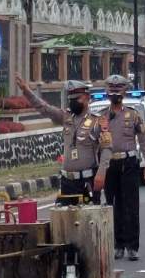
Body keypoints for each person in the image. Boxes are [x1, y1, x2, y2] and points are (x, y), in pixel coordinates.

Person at [17, 74, 111, 203]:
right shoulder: (66, 117)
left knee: (88, 219)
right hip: (67, 182)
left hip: (87, 181)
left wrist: (101, 173)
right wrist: (26, 91)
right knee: (62, 219)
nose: (73, 102)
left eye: (77, 99)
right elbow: (45, 108)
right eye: (70, 99)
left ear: (87, 98)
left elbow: (107, 149)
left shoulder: (97, 121)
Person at [102, 74, 145, 261]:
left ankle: (132, 246)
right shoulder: (102, 117)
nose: (115, 94)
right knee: (113, 205)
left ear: (124, 92)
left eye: (118, 90)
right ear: (107, 93)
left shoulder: (134, 115)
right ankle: (118, 245)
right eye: (112, 91)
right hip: (110, 165)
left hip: (129, 164)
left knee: (131, 205)